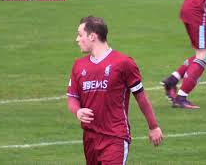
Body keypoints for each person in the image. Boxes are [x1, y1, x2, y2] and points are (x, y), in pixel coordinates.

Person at [67, 16, 163, 165]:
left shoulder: (123, 63)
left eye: (80, 35)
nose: (77, 39)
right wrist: (77, 111)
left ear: (92, 36)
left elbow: (141, 97)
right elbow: (72, 97)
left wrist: (153, 126)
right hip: (90, 137)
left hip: (115, 137)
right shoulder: (78, 66)